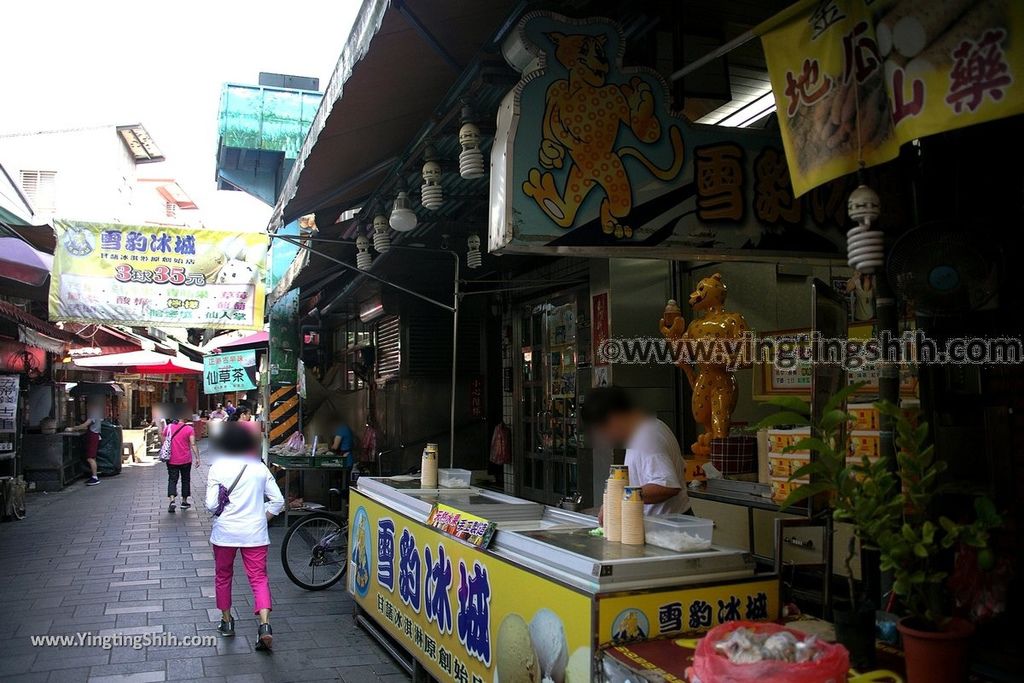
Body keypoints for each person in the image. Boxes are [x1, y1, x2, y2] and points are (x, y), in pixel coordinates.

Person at [206, 423, 284, 650]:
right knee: (259, 578)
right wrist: (262, 518)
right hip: (255, 535)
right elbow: (278, 501)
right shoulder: (259, 468)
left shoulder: (218, 467)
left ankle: (227, 622)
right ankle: (265, 626)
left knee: (223, 576)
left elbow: (211, 504)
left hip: (225, 534)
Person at [582, 386, 690, 516]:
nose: (607, 438)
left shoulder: (647, 436)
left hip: (668, 528)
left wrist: (620, 496)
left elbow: (667, 486)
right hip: (662, 524)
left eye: (603, 431)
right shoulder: (645, 431)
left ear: (613, 419)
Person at [67, 397, 106, 486]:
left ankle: (95, 477)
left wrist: (72, 428)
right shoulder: (97, 413)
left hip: (93, 436)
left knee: (90, 458)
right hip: (94, 435)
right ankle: (94, 476)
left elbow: (85, 425)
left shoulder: (93, 414)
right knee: (92, 457)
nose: (87, 407)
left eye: (87, 405)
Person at [164, 418, 200, 513]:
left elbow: (164, 439)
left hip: (172, 459)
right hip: (185, 459)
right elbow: (193, 444)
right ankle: (184, 502)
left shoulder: (169, 427)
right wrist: (197, 458)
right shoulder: (189, 429)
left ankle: (172, 500)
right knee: (185, 479)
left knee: (172, 479)